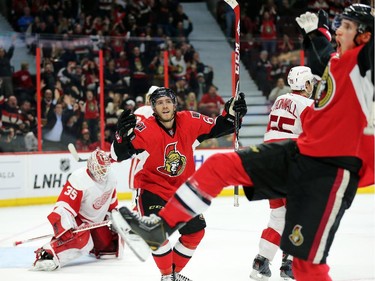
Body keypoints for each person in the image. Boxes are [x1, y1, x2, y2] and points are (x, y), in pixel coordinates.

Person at [112, 4, 374, 281]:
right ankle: (160, 228)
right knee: (220, 165)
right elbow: (325, 58)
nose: (338, 30)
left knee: (306, 268)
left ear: (366, 36)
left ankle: (264, 260)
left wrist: (229, 118)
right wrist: (316, 33)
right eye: (339, 25)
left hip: (334, 165)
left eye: (346, 27)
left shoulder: (366, 66)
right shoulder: (338, 63)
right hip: (302, 151)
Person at [111, 87, 247, 281]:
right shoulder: (145, 128)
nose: (164, 106)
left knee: (196, 233)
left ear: (174, 104)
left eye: (167, 101)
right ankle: (168, 277)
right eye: (159, 103)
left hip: (182, 190)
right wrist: (121, 137)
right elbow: (118, 155)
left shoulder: (190, 120)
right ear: (153, 108)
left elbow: (219, 126)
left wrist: (233, 114)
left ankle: (173, 274)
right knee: (157, 231)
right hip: (153, 188)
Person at [250, 66, 315, 281]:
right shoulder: (308, 105)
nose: (312, 86)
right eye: (310, 82)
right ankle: (289, 264)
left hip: (268, 161)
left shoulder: (279, 100)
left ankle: (261, 261)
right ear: (305, 84)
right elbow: (314, 137)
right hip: (290, 160)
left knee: (278, 217)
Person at [32, 148, 123, 271]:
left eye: (105, 168)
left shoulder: (111, 177)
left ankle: (92, 246)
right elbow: (64, 206)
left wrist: (114, 215)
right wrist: (66, 229)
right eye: (100, 168)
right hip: (80, 221)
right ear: (92, 166)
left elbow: (112, 201)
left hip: (97, 222)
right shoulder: (79, 179)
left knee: (111, 248)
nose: (104, 172)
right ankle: (49, 253)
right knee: (83, 242)